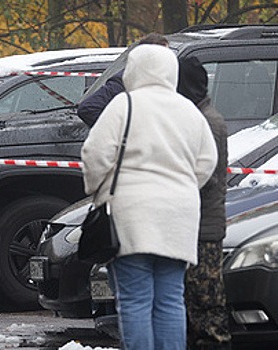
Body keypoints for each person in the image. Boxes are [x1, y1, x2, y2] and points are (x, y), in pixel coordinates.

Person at [81, 44, 218, 349]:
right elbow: (207, 161)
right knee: (170, 299)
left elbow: (95, 153)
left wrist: (98, 190)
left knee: (135, 301)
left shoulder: (123, 105)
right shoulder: (189, 111)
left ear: (134, 70)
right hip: (178, 216)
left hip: (131, 215)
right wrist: (182, 186)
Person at [178, 56, 232, 350]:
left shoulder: (207, 121)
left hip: (204, 229)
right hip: (197, 225)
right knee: (195, 305)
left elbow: (205, 177)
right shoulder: (199, 117)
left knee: (207, 305)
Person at [77, 33, 169, 127]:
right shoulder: (125, 80)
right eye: (163, 55)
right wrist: (121, 132)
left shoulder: (165, 81)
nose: (168, 59)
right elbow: (88, 108)